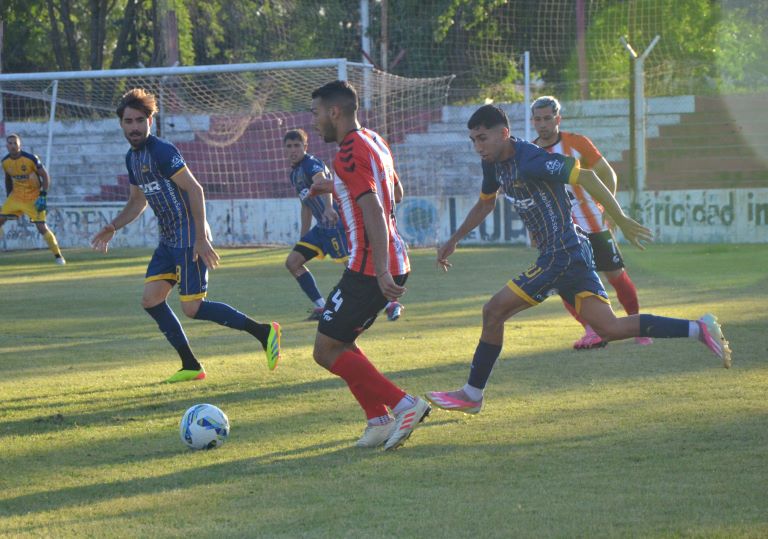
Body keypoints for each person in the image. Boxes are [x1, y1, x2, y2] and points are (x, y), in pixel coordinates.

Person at [425, 104, 731, 415]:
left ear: (504, 133)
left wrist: (620, 219)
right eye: (473, 140)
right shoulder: (492, 163)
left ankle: (472, 393)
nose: (478, 147)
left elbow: (586, 176)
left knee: (492, 312)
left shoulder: (531, 158)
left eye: (483, 138)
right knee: (609, 328)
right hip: (572, 252)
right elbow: (485, 204)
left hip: (561, 253)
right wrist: (453, 240)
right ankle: (699, 329)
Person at [91, 88, 281, 383]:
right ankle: (191, 365)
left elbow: (195, 189)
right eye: (128, 121)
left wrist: (201, 237)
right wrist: (113, 226)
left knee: (192, 307)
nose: (134, 127)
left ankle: (264, 332)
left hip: (189, 235)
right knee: (151, 299)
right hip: (168, 240)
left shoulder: (162, 151)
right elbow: (137, 202)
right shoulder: (132, 158)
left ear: (150, 120)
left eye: (140, 120)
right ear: (121, 124)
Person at [308, 80, 429, 450]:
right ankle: (377, 420)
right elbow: (395, 192)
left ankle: (404, 404)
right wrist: (337, 188)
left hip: (369, 266)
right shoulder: (374, 140)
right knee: (340, 341)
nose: (314, 123)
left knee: (325, 350)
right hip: (394, 256)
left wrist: (379, 271)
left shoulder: (346, 153)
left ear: (335, 112)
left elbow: (374, 207)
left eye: (316, 114)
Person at [531, 95, 651, 349]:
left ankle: (637, 326)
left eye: (547, 118)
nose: (542, 124)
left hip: (593, 223)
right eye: (538, 119)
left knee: (616, 275)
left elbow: (607, 173)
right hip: (561, 232)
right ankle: (591, 330)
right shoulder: (530, 153)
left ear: (558, 119)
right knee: (562, 284)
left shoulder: (577, 143)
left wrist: (609, 208)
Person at [283, 128, 404, 322]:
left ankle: (391, 303)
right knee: (293, 262)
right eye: (289, 146)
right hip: (321, 229)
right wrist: (303, 236)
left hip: (336, 223)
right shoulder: (294, 173)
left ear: (305, 147)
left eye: (297, 146)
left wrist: (329, 208)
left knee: (357, 268)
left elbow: (323, 182)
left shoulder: (310, 163)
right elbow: (306, 205)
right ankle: (322, 306)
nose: (293, 150)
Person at [1, 134, 66, 264]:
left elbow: (45, 176)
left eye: (15, 143)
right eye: (10, 143)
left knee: (41, 227)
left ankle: (58, 256)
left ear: (20, 145)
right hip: (16, 197)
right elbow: (8, 178)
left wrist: (43, 195)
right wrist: (9, 196)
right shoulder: (5, 162)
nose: (13, 146)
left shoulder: (30, 159)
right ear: (6, 146)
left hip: (33, 197)